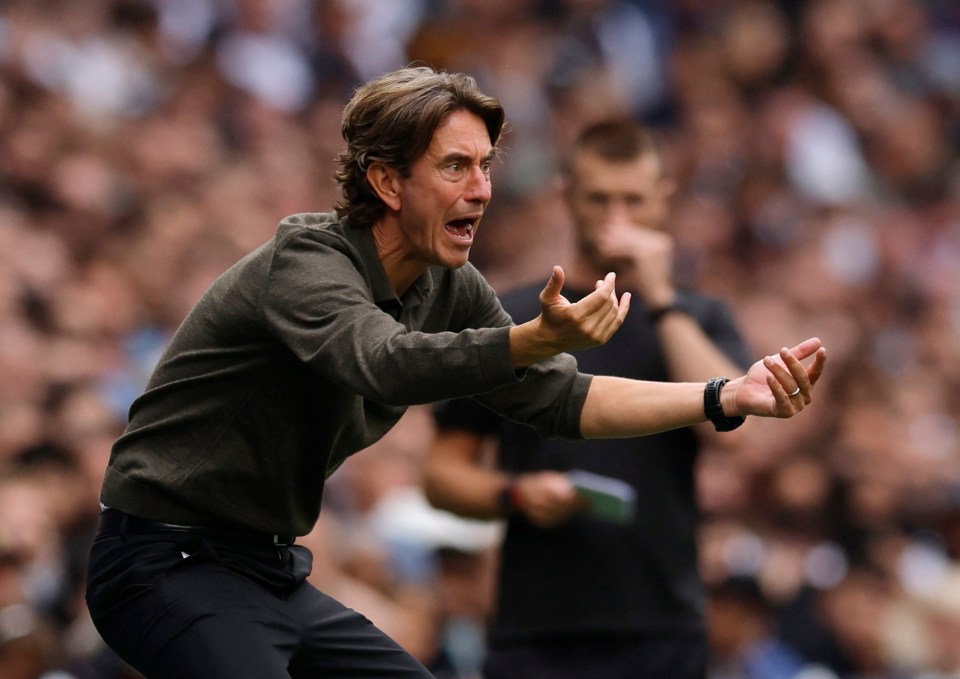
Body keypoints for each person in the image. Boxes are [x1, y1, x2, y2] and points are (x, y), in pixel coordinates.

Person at [84, 66, 826, 679]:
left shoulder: (448, 284)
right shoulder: (308, 260)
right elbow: (382, 361)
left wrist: (725, 395)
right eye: (455, 166)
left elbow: (562, 397)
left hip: (268, 570)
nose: (482, 187)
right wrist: (531, 337)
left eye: (485, 166)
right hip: (163, 561)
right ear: (386, 180)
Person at [422, 118, 756, 679]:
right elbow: (441, 475)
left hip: (663, 622)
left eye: (633, 200)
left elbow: (734, 432)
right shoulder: (509, 316)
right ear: (565, 194)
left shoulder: (697, 316)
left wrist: (661, 299)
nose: (617, 218)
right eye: (599, 198)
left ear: (663, 199)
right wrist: (517, 495)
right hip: (536, 628)